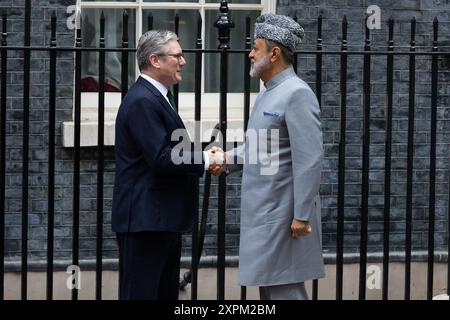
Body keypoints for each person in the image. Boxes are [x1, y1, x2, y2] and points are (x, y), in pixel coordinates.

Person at [111, 30, 225, 300]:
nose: (183, 61)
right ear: (155, 60)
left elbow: (168, 149)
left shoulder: (156, 96)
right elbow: (161, 157)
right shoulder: (142, 100)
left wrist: (203, 153)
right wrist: (207, 160)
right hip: (146, 222)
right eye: (177, 56)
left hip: (159, 220)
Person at [222, 13, 325, 300]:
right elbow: (259, 146)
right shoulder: (269, 93)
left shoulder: (296, 93)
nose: (250, 54)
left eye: (256, 48)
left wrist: (302, 216)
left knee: (284, 289)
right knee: (270, 288)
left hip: (283, 216)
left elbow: (310, 159)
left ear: (275, 53)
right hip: (265, 213)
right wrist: (227, 159)